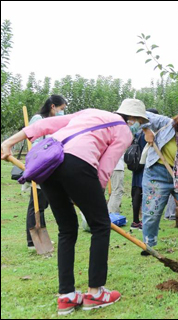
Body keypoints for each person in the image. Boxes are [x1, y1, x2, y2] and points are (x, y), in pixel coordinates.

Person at [1, 108, 133, 315]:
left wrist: (8, 142)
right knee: (100, 225)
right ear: (134, 120)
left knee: (67, 228)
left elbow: (43, 126)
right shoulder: (125, 131)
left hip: (48, 162)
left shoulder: (88, 113)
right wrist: (90, 195)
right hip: (77, 163)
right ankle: (96, 292)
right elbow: (106, 166)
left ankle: (67, 296)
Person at [114, 99, 178, 255]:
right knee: (151, 211)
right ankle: (149, 244)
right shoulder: (165, 124)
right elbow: (142, 114)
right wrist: (147, 130)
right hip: (156, 174)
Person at [24, 95, 67, 250]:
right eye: (61, 109)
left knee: (42, 203)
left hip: (49, 167)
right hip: (39, 165)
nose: (62, 112)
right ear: (53, 106)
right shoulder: (39, 118)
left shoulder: (54, 123)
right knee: (35, 203)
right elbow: (34, 141)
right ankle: (32, 241)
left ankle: (40, 236)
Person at [130, 108, 159, 230]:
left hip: (136, 165)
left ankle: (136, 221)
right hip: (147, 166)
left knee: (136, 192)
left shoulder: (138, 132)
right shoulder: (150, 134)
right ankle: (145, 221)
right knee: (147, 194)